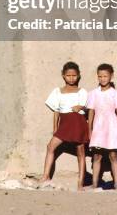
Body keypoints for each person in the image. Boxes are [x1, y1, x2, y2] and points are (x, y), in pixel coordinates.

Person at [41, 61, 88, 190]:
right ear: (63, 75)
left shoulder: (82, 91)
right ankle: (45, 176)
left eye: (74, 75)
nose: (71, 78)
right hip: (65, 122)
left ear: (78, 76)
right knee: (50, 146)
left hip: (78, 122)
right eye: (68, 75)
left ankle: (80, 182)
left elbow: (87, 108)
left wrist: (81, 107)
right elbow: (56, 111)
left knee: (81, 152)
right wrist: (55, 128)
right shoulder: (58, 91)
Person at [86, 63, 117, 190]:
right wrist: (90, 129)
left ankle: (116, 183)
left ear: (111, 76)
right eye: (100, 76)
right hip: (98, 127)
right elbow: (91, 112)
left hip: (112, 127)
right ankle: (94, 183)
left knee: (113, 155)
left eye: (105, 76)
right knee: (97, 156)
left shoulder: (116, 93)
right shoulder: (93, 93)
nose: (103, 79)